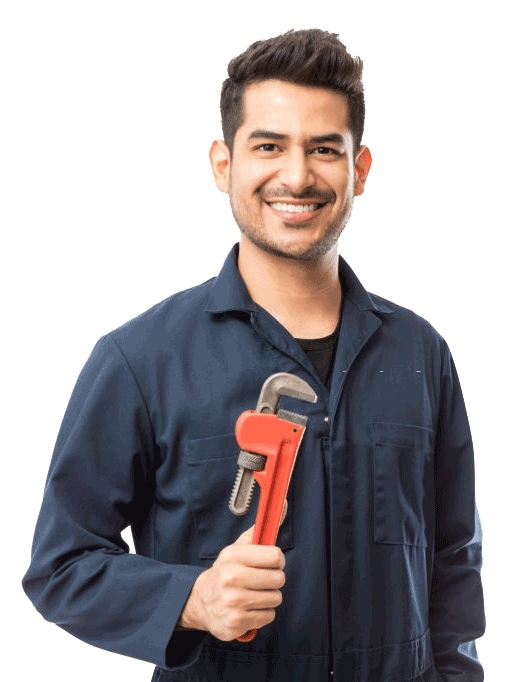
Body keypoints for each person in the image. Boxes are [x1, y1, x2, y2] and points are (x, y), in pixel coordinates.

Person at [23, 28, 485, 682]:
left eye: (324, 149)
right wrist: (192, 599)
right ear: (223, 165)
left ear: (359, 170)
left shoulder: (421, 354)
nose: (296, 175)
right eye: (269, 146)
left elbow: (453, 562)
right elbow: (62, 566)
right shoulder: (140, 360)